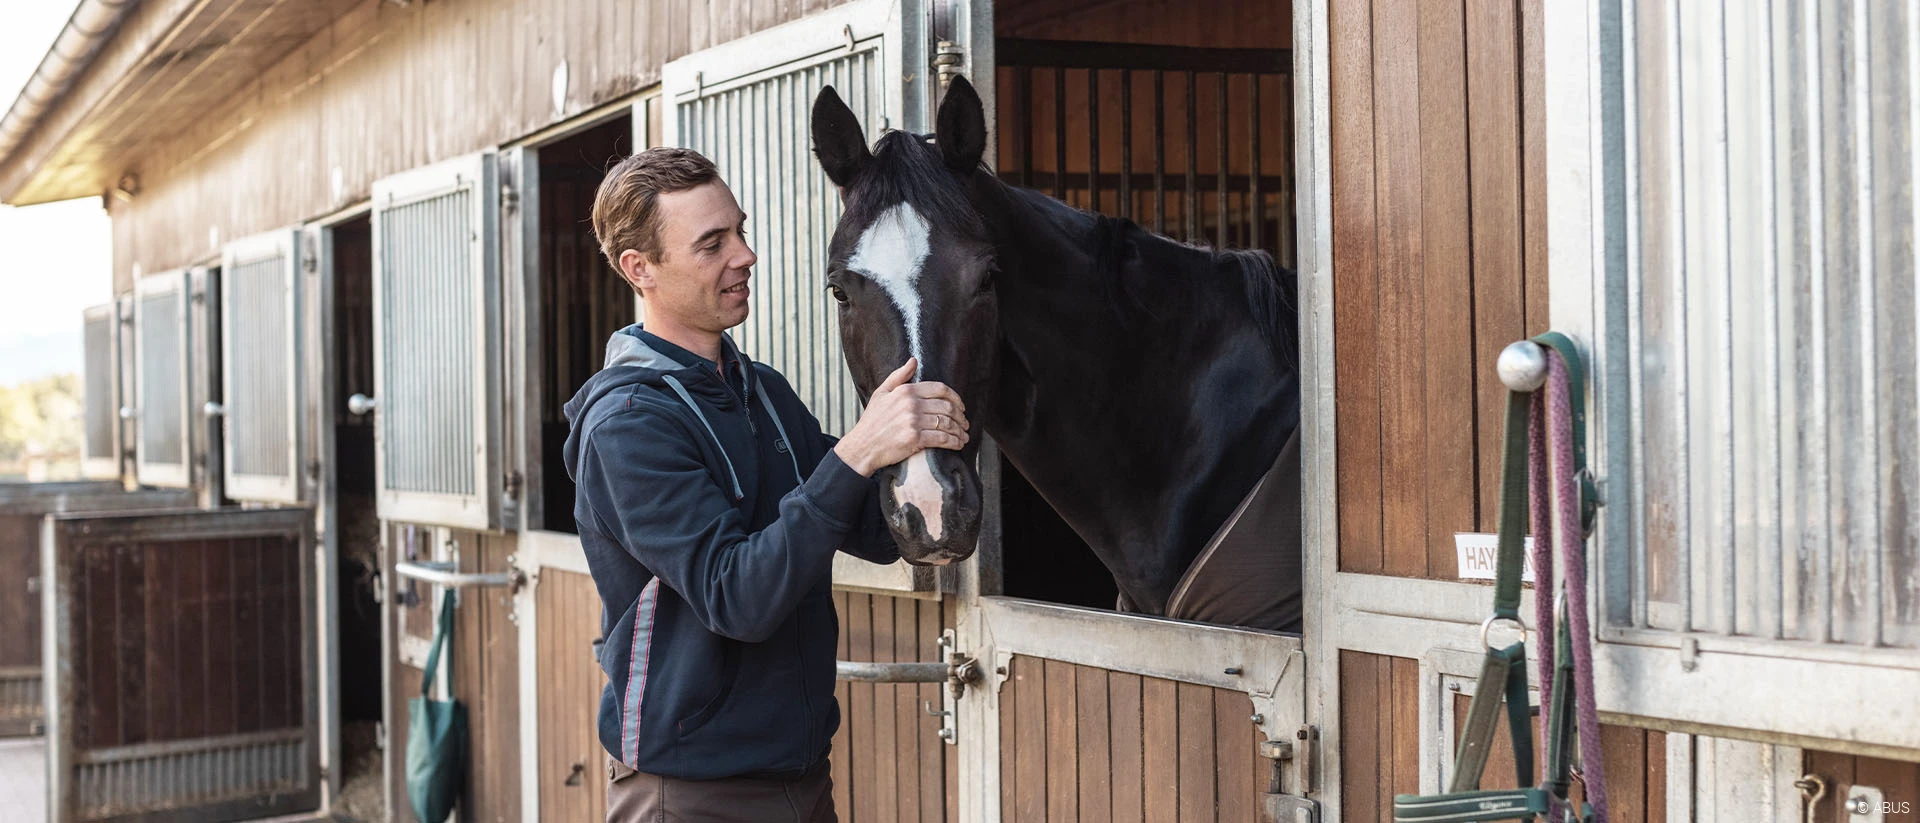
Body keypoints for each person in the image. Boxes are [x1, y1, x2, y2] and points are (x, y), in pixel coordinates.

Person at [563, 146, 970, 822]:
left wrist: (927, 440)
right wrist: (860, 447)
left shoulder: (763, 393)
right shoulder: (629, 425)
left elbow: (874, 530)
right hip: (693, 797)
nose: (746, 254)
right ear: (641, 269)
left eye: (741, 230)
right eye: (712, 243)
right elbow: (737, 595)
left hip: (803, 781)